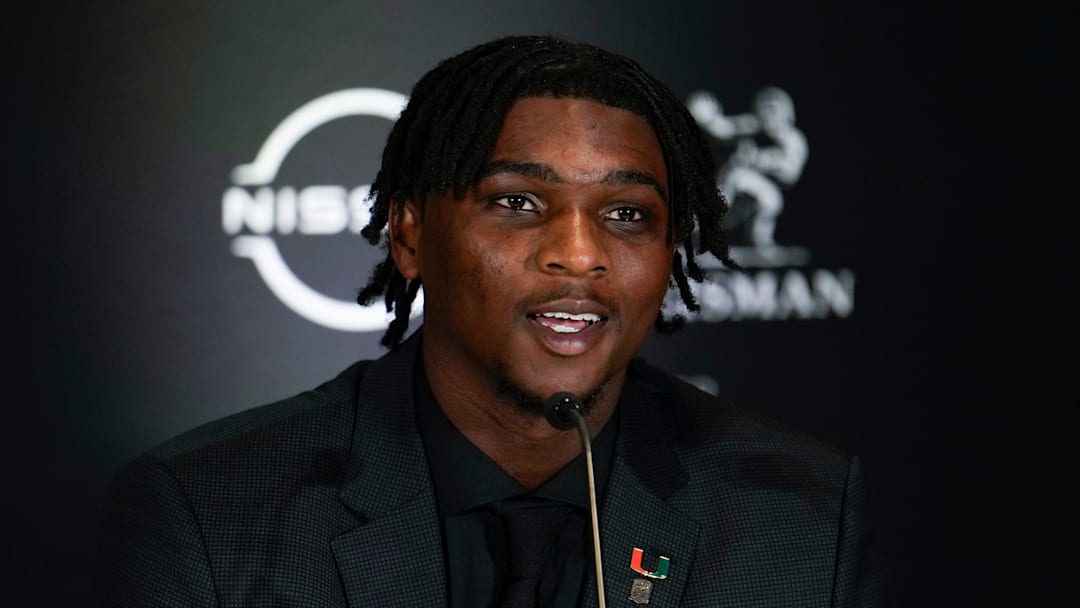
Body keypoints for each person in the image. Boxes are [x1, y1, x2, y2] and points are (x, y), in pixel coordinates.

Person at [96, 35, 884, 607]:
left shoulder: (802, 517)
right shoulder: (207, 515)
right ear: (410, 235)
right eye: (518, 202)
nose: (579, 254)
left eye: (626, 213)